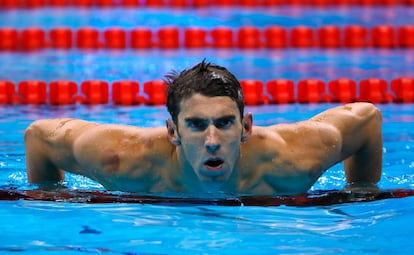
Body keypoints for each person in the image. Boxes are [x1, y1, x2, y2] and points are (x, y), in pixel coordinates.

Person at [24, 60, 383, 196]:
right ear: (172, 131)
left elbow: (366, 118)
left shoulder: (293, 159)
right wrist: (49, 195)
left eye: (224, 123)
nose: (212, 140)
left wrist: (361, 190)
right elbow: (39, 136)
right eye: (196, 125)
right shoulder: (122, 159)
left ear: (245, 126)